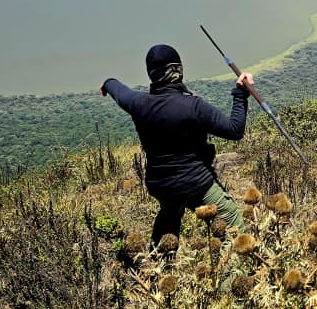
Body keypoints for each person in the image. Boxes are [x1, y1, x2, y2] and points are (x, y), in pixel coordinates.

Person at [101, 44, 254, 245]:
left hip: (160, 184)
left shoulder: (138, 103)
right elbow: (234, 130)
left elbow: (118, 91)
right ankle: (232, 273)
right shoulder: (193, 106)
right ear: (178, 70)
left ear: (151, 74)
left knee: (170, 214)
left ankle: (159, 268)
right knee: (235, 230)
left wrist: (108, 83)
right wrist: (241, 94)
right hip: (196, 183)